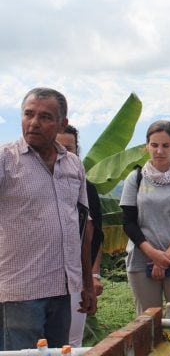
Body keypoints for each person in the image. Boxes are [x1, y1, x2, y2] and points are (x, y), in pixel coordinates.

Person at [0, 87, 96, 350]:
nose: (34, 123)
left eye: (44, 117)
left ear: (62, 123)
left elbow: (83, 227)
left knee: (59, 353)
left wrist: (87, 283)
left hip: (63, 290)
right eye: (28, 114)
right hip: (20, 291)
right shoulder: (6, 160)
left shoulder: (73, 164)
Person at [120, 120, 170, 315]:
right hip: (141, 259)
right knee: (147, 321)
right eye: (154, 145)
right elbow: (128, 222)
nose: (159, 151)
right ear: (147, 145)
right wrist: (154, 254)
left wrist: (165, 257)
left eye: (166, 145)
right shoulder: (136, 178)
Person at [56, 125, 104, 347]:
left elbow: (95, 237)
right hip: (41, 277)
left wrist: (92, 277)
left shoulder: (87, 188)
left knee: (72, 343)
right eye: (58, 146)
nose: (64, 152)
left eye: (70, 148)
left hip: (76, 277)